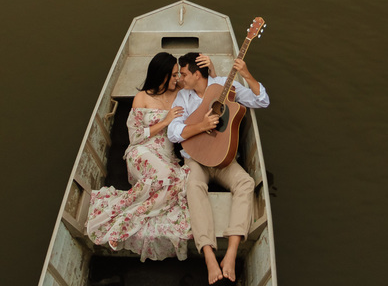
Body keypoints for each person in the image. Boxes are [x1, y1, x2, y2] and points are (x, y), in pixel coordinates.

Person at [86, 51, 207, 261]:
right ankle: (127, 215)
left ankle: (132, 215)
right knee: (166, 176)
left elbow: (205, 86)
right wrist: (165, 121)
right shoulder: (142, 97)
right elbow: (134, 136)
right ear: (162, 76)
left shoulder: (180, 92)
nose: (178, 78)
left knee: (178, 179)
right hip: (141, 151)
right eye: (174, 75)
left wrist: (210, 68)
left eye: (178, 74)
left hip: (166, 156)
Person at [168, 52, 270, 284]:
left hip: (223, 158)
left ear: (197, 74)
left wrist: (246, 74)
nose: (180, 79)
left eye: (183, 74)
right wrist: (201, 125)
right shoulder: (182, 96)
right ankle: (209, 255)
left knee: (246, 183)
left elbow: (262, 101)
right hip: (195, 158)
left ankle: (231, 252)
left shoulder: (225, 85)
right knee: (193, 186)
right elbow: (173, 132)